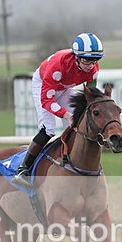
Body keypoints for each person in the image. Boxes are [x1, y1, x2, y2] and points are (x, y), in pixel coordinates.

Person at [12, 32, 104, 187]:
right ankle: (23, 169)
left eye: (95, 60)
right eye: (86, 60)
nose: (90, 65)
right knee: (48, 129)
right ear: (76, 57)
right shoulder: (58, 66)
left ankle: (75, 162)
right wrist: (66, 114)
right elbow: (47, 100)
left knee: (75, 126)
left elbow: (90, 97)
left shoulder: (93, 69)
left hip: (65, 87)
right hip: (43, 85)